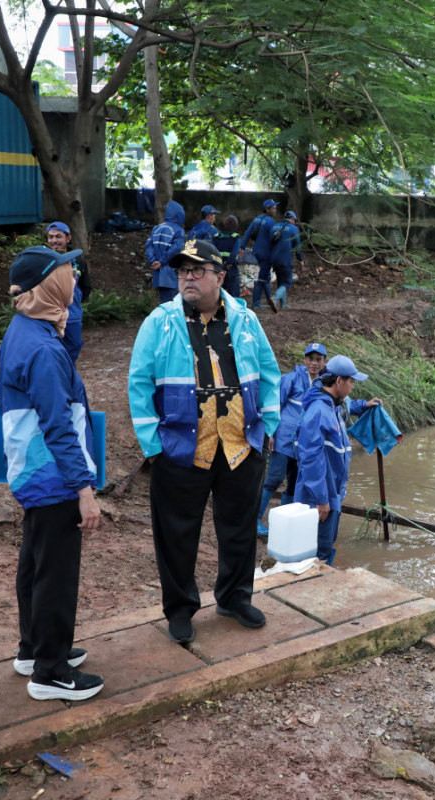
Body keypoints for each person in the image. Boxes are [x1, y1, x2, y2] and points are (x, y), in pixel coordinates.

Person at [128, 239, 281, 645]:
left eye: (197, 271)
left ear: (220, 276)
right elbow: (138, 384)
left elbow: (269, 373)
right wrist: (152, 445)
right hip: (179, 448)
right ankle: (180, 610)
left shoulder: (245, 320)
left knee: (239, 529)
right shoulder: (159, 322)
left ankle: (234, 597)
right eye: (182, 272)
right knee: (177, 535)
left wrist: (267, 425)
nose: (188, 278)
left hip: (239, 444)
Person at [0, 245, 104, 702]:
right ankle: (51, 671)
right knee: (56, 575)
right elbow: (57, 424)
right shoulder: (41, 347)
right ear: (49, 282)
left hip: (33, 474)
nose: (75, 275)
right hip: (52, 477)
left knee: (36, 563)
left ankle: (33, 648)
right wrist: (84, 488)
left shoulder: (26, 329)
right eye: (67, 271)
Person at [296, 355, 373, 567]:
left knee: (326, 546)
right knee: (315, 552)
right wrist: (321, 499)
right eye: (351, 381)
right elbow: (310, 459)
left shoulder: (333, 407)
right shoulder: (319, 411)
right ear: (339, 381)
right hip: (319, 497)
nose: (353, 386)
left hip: (331, 493)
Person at [256, 342, 328, 536]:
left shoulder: (324, 384)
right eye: (311, 359)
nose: (314, 363)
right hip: (284, 440)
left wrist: (364, 406)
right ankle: (255, 520)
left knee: (294, 483)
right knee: (273, 479)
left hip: (305, 444)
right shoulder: (291, 379)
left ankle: (285, 526)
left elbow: (341, 404)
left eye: (318, 360)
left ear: (324, 362)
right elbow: (274, 405)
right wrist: (271, 433)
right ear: (305, 360)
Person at [45, 222, 93, 363]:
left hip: (72, 316)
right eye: (50, 237)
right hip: (49, 316)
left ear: (68, 238)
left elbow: (86, 287)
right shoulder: (42, 260)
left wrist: (73, 300)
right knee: (52, 352)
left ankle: (68, 379)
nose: (54, 241)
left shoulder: (77, 260)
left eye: (58, 236)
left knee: (73, 349)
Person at [237, 198, 279, 308]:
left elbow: (247, 233)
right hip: (266, 253)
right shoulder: (271, 222)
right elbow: (275, 239)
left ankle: (270, 298)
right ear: (267, 209)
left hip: (256, 251)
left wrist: (242, 247)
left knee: (266, 275)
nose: (275, 210)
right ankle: (256, 303)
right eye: (273, 208)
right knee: (262, 277)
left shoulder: (256, 220)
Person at [146, 200, 186, 303]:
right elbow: (175, 249)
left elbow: (149, 245)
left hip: (157, 273)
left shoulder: (156, 228)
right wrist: (162, 262)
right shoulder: (179, 231)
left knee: (163, 301)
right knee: (171, 303)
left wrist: (153, 260)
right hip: (170, 273)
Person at [268, 210, 304, 309]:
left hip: (274, 258)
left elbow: (270, 242)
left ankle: (283, 304)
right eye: (294, 220)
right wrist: (300, 259)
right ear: (292, 219)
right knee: (288, 281)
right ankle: (275, 298)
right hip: (285, 258)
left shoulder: (274, 227)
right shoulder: (294, 229)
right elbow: (298, 246)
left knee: (280, 280)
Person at [213, 215, 242, 298]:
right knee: (234, 294)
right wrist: (228, 264)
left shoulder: (216, 236)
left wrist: (220, 265)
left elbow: (213, 251)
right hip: (231, 267)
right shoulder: (236, 237)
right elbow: (234, 254)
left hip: (218, 267)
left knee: (218, 292)